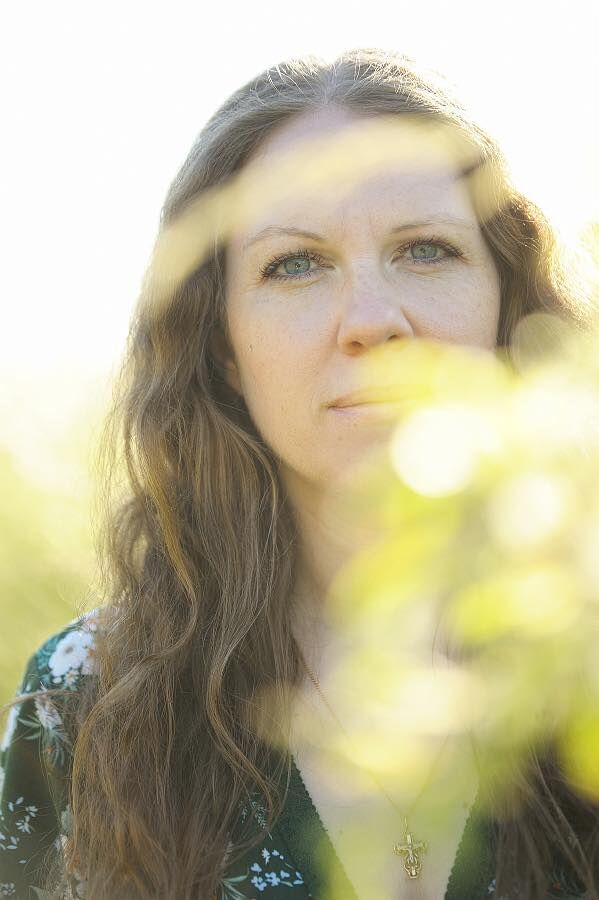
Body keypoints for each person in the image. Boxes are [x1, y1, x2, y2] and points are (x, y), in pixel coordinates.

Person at [1, 47, 597, 900]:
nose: (372, 320)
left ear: (508, 303)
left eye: (426, 250)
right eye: (295, 263)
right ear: (221, 345)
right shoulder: (86, 701)